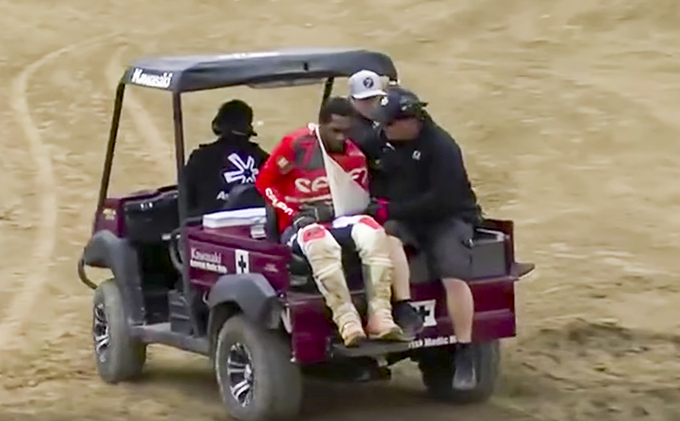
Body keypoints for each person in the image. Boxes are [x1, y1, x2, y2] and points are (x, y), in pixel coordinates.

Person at [254, 97, 407, 347]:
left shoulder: (355, 155)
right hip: (299, 225)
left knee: (373, 233)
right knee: (320, 242)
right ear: (321, 125)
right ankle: (346, 321)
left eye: (347, 132)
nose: (341, 138)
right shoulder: (296, 146)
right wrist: (292, 215)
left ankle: (381, 317)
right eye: (335, 131)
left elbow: (361, 196)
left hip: (340, 220)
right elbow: (265, 184)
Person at [365, 86, 484, 391]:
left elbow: (443, 199)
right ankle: (404, 307)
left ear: (411, 120)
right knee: (387, 235)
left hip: (446, 218)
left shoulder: (442, 147)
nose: (384, 127)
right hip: (406, 219)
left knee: (453, 275)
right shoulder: (381, 140)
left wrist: (391, 209)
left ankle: (465, 352)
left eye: (390, 122)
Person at [347, 70, 424, 338]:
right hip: (368, 205)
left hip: (397, 205)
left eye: (374, 99)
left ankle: (398, 306)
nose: (370, 106)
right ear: (352, 101)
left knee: (389, 232)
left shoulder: (391, 126)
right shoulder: (353, 133)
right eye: (363, 101)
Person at [185, 99, 269, 216]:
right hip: (259, 222)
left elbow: (185, 200)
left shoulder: (201, 158)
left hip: (210, 224)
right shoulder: (263, 158)